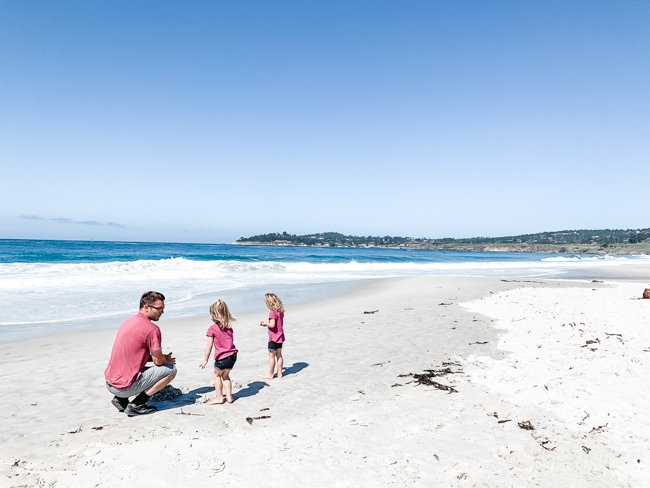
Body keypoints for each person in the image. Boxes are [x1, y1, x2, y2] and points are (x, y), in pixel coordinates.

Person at [104, 291, 177, 417]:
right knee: (171, 370)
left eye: (163, 309)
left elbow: (134, 354)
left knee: (138, 366)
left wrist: (162, 357)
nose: (162, 312)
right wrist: (165, 359)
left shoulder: (128, 321)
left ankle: (120, 400)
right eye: (159, 309)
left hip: (110, 383)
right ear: (146, 307)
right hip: (123, 387)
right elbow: (158, 362)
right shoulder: (152, 329)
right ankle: (137, 404)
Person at [199, 300, 238, 404]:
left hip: (222, 357)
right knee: (226, 376)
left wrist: (205, 360)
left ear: (215, 315)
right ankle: (229, 397)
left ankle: (219, 397)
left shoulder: (212, 329)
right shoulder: (229, 327)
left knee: (217, 376)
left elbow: (209, 346)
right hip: (233, 355)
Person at [260, 293, 285, 379]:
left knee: (271, 356)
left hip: (273, 338)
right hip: (280, 336)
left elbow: (272, 325)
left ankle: (270, 373)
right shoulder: (280, 311)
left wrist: (265, 324)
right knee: (279, 355)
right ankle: (280, 373)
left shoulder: (272, 312)